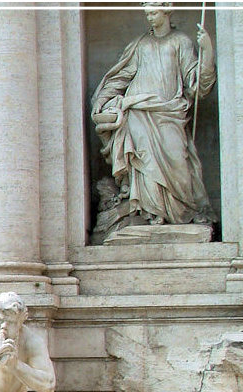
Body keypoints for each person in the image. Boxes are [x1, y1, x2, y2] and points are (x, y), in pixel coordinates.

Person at [91, 2, 216, 226]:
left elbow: (197, 85)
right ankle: (149, 213)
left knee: (178, 160)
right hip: (138, 112)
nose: (150, 17)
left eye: (154, 12)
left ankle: (180, 213)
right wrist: (102, 100)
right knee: (144, 163)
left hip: (170, 112)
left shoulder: (181, 42)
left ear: (167, 11)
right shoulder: (140, 45)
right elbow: (121, 77)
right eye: (147, 13)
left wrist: (206, 51)